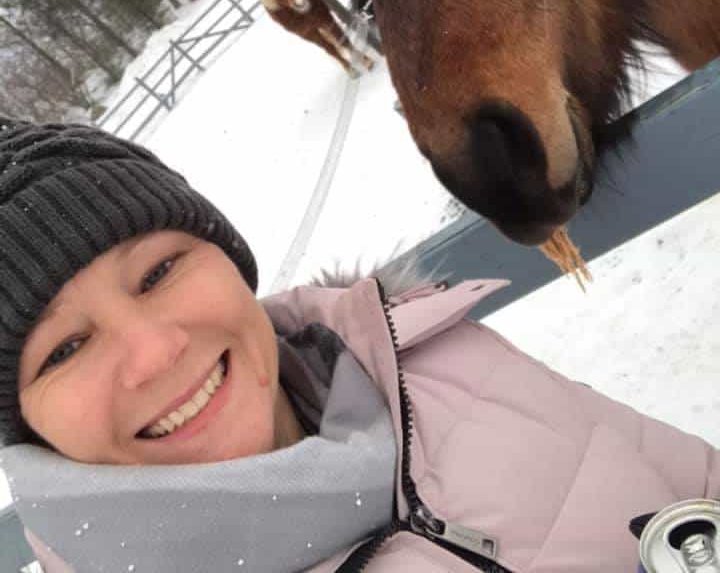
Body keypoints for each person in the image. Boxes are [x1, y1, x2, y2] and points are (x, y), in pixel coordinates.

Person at [0, 117, 717, 573]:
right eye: (63, 350)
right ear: (26, 424)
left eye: (158, 271)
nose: (155, 353)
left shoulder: (432, 354)